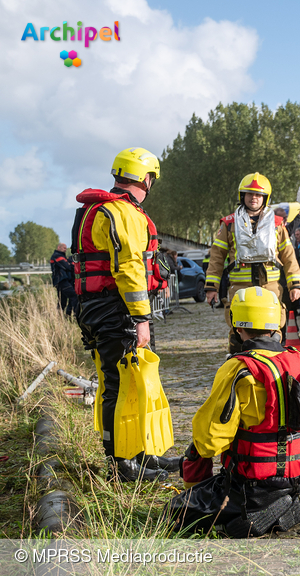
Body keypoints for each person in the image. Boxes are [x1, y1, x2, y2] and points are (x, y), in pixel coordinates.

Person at [167, 286, 300, 537]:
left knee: (173, 512)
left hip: (250, 491)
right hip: (296, 485)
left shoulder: (238, 369)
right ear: (277, 325)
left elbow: (209, 440)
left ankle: (247, 514)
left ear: (238, 327)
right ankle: (287, 506)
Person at [71, 147, 179, 481]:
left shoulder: (95, 210)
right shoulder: (124, 213)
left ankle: (141, 454)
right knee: (120, 385)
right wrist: (141, 319)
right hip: (117, 309)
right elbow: (130, 269)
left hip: (98, 307)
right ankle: (122, 464)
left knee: (132, 383)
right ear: (147, 178)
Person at [205, 173, 300, 354]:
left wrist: (295, 284)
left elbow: (289, 256)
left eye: (258, 195)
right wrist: (211, 287)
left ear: (265, 198)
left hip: (270, 287)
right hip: (240, 288)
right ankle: (238, 365)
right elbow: (217, 257)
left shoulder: (277, 224)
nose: (254, 198)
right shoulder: (229, 224)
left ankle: (272, 368)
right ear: (242, 196)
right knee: (238, 332)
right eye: (249, 194)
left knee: (273, 330)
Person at [49, 242, 77, 317]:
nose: (65, 249)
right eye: (64, 248)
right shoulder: (57, 256)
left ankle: (61, 318)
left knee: (62, 302)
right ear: (59, 247)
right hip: (61, 280)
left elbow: (68, 265)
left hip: (60, 281)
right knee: (74, 296)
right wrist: (70, 265)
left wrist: (69, 265)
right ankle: (76, 315)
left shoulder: (61, 256)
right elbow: (67, 267)